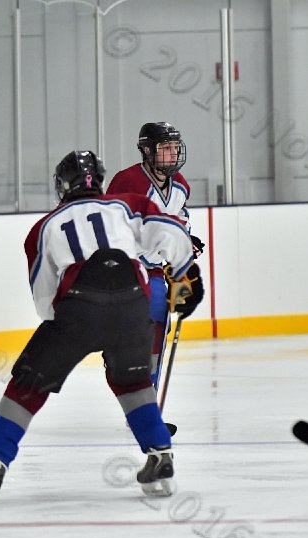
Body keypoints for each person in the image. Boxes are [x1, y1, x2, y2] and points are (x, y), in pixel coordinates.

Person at [0, 150, 198, 504]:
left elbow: (44, 301)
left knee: (27, 385)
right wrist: (190, 276)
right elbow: (172, 233)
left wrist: (67, 333)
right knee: (132, 380)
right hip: (133, 305)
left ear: (62, 186)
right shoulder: (126, 205)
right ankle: (160, 455)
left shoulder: (44, 227)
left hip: (80, 306)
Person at [106, 122, 204, 389]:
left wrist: (185, 241)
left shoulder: (180, 185)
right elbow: (109, 224)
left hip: (154, 269)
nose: (173, 153)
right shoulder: (127, 181)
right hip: (124, 269)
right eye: (165, 148)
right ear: (148, 151)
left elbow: (180, 218)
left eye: (175, 147)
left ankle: (146, 399)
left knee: (158, 330)